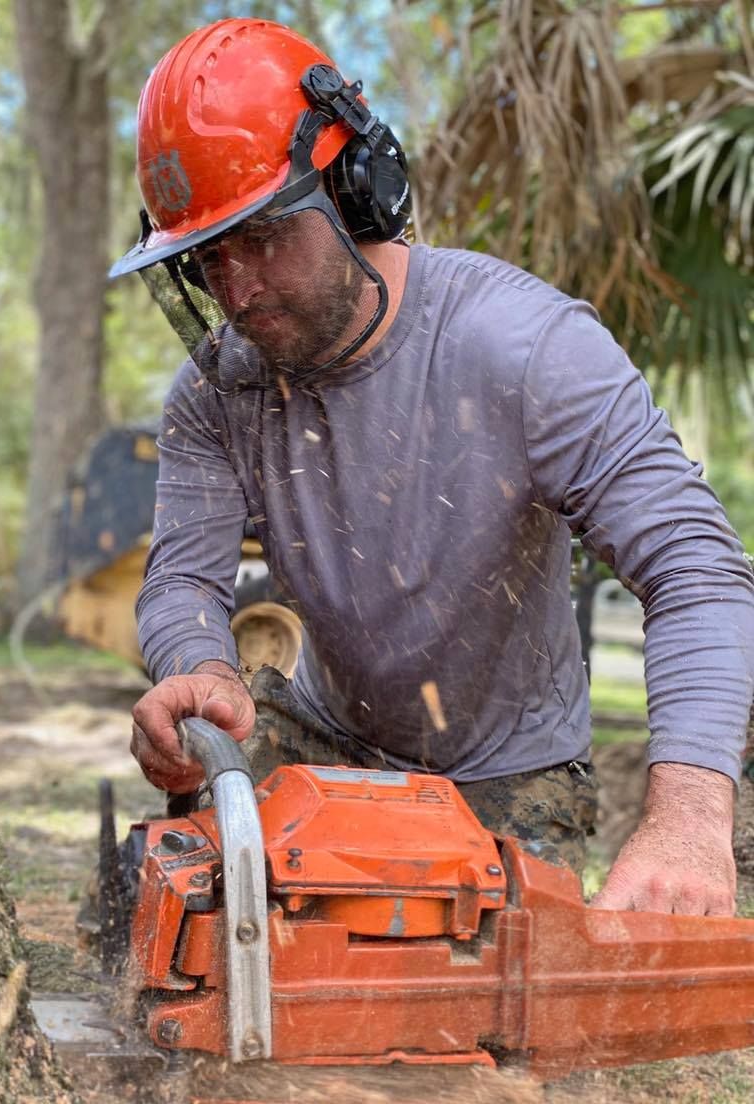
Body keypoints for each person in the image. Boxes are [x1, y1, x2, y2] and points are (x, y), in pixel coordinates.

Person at [108, 18, 754, 914]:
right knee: (184, 902)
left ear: (356, 189)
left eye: (262, 236)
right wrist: (201, 670)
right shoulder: (218, 391)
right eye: (209, 257)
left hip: (507, 767)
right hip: (321, 731)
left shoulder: (525, 348)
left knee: (472, 1005)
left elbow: (698, 570)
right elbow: (182, 579)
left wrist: (688, 816)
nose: (238, 289)